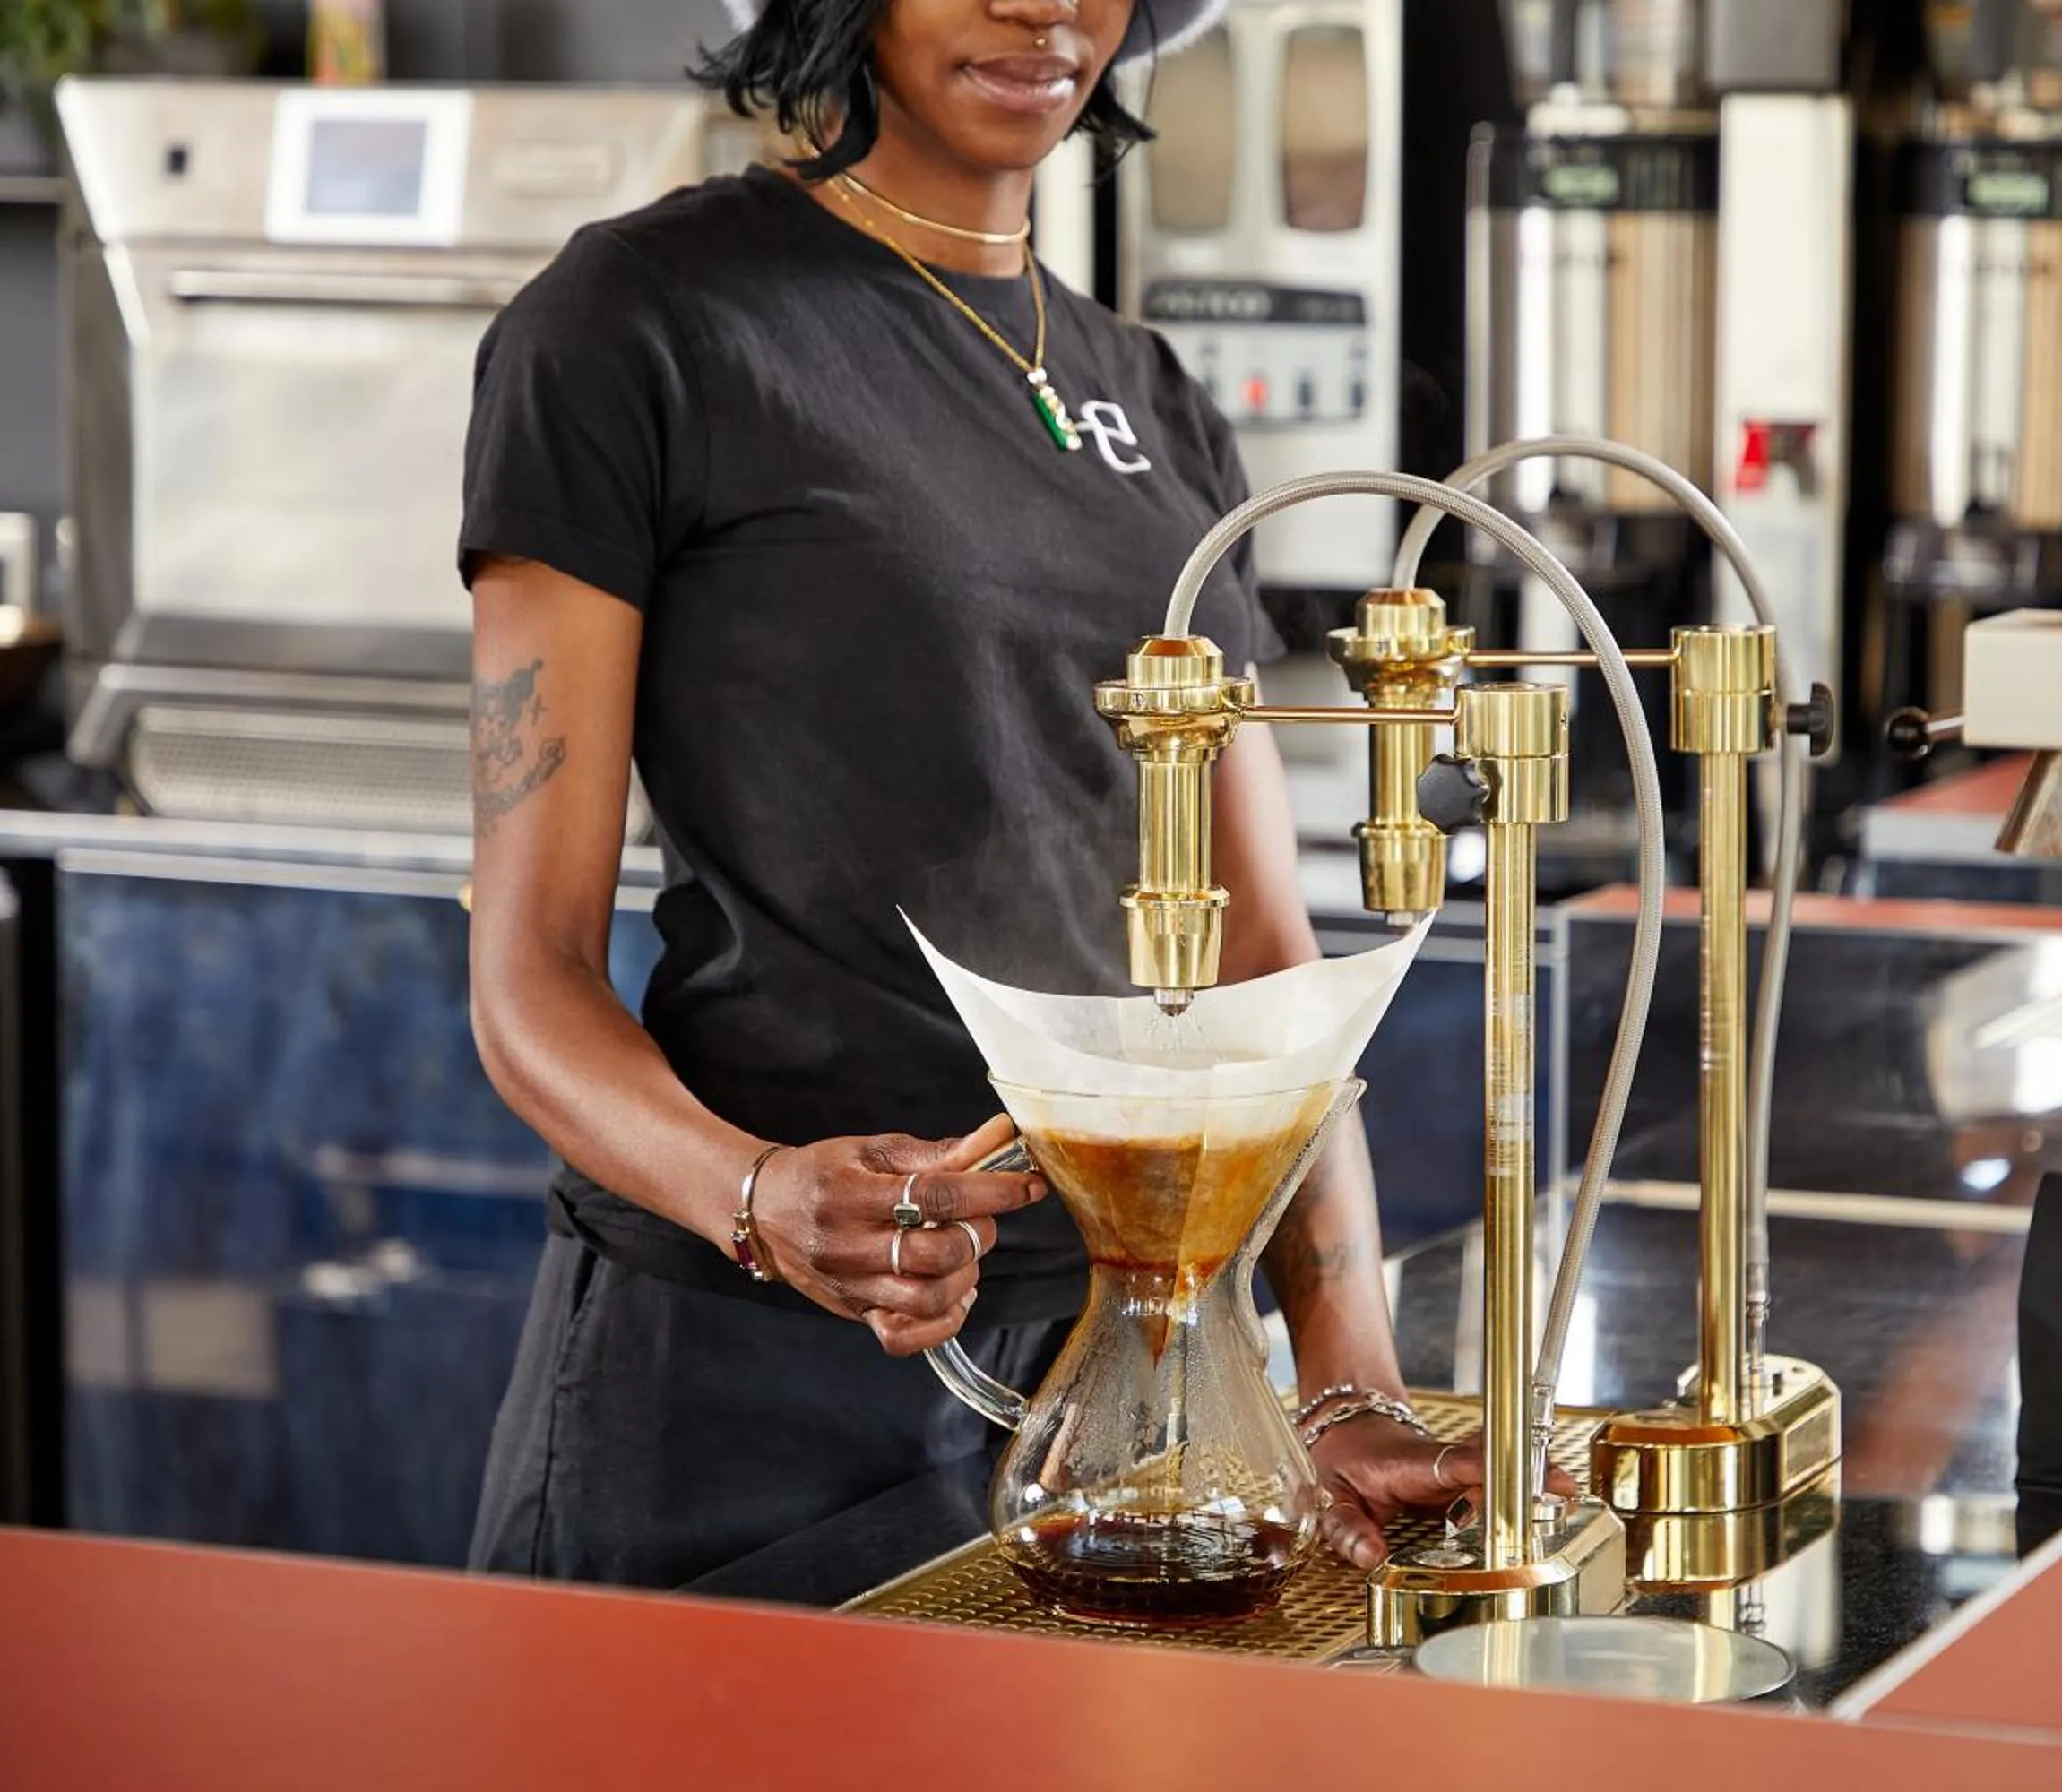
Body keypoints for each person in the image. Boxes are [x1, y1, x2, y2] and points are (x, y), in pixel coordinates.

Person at [460, 0, 1482, 1592]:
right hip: (733, 1378)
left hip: (1132, 1383)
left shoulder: (1157, 399)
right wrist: (758, 1197)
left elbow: (1262, 964)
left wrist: (1338, 1376)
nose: (1044, 5)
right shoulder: (643, 323)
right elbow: (526, 980)